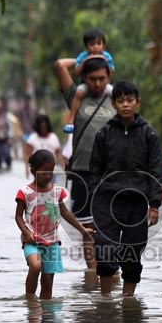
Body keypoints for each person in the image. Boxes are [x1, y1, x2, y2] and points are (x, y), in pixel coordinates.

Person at [88, 80, 162, 297]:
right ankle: (105, 301)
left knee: (132, 255)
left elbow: (155, 170)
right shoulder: (104, 134)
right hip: (106, 201)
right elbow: (95, 170)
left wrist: (154, 204)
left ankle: (128, 301)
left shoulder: (148, 134)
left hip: (137, 202)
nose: (125, 105)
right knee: (104, 251)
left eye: (129, 100)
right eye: (120, 100)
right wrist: (94, 200)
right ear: (113, 104)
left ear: (137, 102)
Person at [53, 55, 116, 270]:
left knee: (110, 224)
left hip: (110, 172)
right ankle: (92, 273)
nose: (97, 83)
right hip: (81, 170)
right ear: (84, 79)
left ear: (109, 76)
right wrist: (91, 55)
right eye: (91, 79)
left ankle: (109, 271)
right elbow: (61, 65)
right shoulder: (76, 97)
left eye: (101, 78)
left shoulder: (116, 98)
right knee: (86, 226)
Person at [15, 149, 93, 300]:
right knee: (36, 266)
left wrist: (82, 230)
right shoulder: (25, 192)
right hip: (32, 241)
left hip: (52, 243)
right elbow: (18, 216)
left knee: (48, 281)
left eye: (51, 172)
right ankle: (30, 301)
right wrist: (26, 233)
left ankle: (47, 314)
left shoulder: (57, 191)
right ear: (33, 170)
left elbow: (66, 213)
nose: (48, 176)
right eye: (44, 172)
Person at [62, 29, 115, 133]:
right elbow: (76, 74)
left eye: (98, 44)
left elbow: (111, 73)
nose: (95, 47)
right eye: (92, 44)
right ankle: (71, 119)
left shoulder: (107, 56)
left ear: (104, 46)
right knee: (78, 93)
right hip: (86, 85)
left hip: (105, 86)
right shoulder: (83, 56)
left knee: (116, 94)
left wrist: (103, 61)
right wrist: (85, 61)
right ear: (86, 46)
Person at [24, 114, 62, 179]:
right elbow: (27, 155)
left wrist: (63, 167)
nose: (43, 129)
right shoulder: (32, 138)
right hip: (38, 171)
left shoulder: (53, 137)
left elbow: (58, 154)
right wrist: (27, 170)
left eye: (45, 127)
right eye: (41, 127)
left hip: (51, 171)